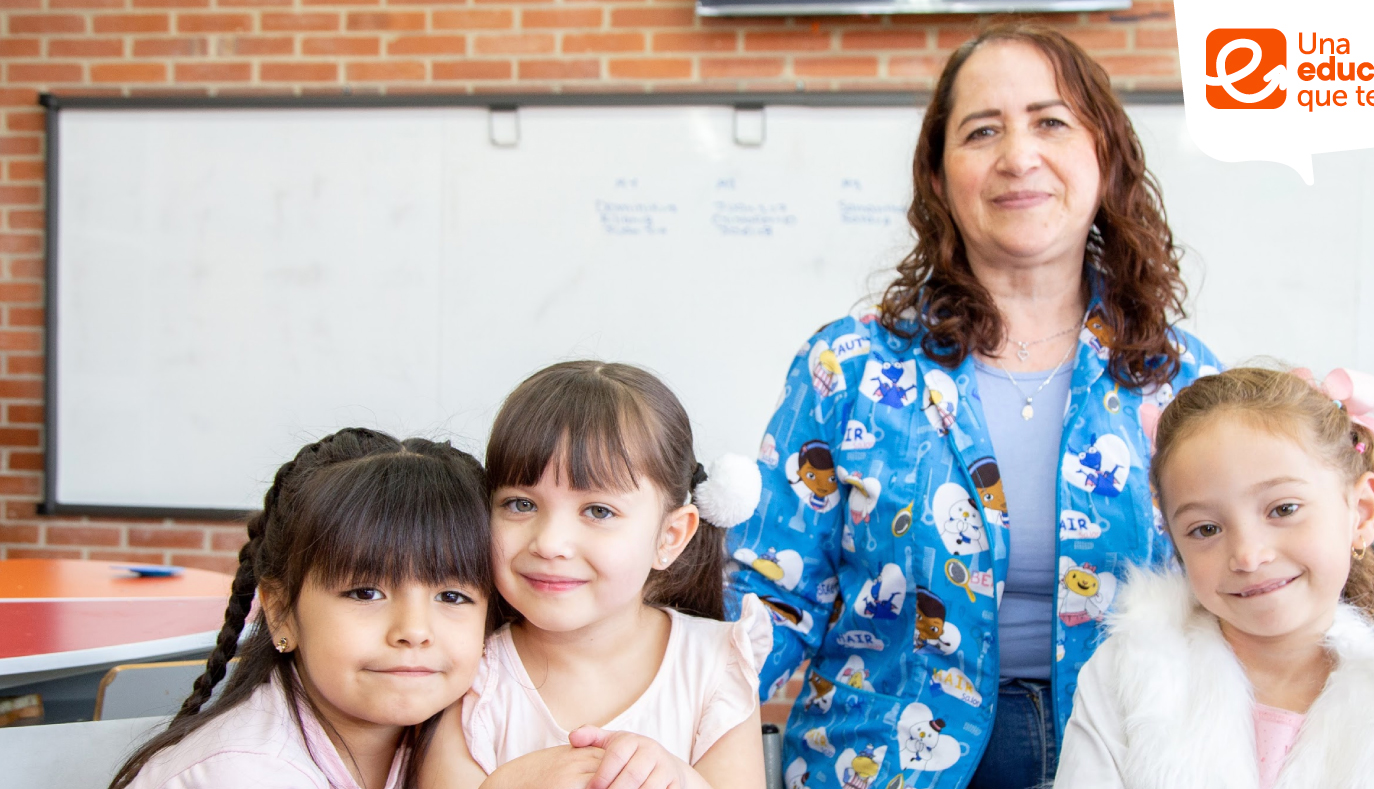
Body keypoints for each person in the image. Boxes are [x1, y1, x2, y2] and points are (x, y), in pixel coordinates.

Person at [727, 21, 1218, 789]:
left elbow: (1232, 588)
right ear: (938, 175)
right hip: (886, 757)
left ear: (1104, 156)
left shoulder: (1179, 379)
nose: (1018, 157)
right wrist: (651, 703)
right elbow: (770, 593)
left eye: (1051, 122)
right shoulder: (847, 367)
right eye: (982, 131)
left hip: (1130, 754)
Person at [1054, 367, 1374, 788]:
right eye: (1206, 529)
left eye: (1283, 509)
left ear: (1361, 514)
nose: (1247, 555)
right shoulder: (1125, 673)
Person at [424, 361, 770, 789]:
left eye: (598, 511)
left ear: (670, 536)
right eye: (520, 504)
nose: (549, 543)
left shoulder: (716, 665)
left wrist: (677, 778)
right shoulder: (469, 672)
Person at [110, 428, 493, 789]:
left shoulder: (466, 734)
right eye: (365, 593)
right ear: (281, 612)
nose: (413, 630)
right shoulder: (242, 774)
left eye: (452, 597)